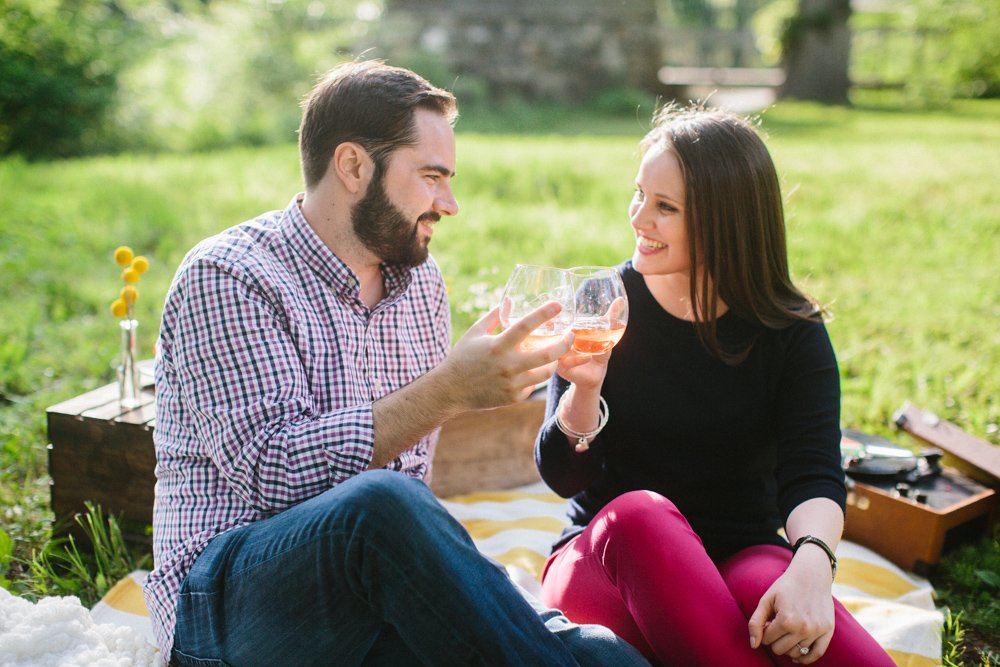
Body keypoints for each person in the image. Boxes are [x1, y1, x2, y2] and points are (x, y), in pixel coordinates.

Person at [144, 60, 649, 667]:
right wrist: (447, 391)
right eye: (431, 176)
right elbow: (271, 473)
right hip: (227, 606)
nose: (451, 203)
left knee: (607, 657)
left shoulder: (419, 283)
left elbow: (411, 491)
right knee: (379, 504)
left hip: (364, 596)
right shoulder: (229, 276)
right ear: (354, 166)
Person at [534, 105, 896, 667]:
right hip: (606, 563)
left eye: (665, 207)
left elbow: (813, 473)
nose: (637, 218)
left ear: (724, 222)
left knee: (790, 604)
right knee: (640, 515)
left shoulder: (791, 334)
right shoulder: (604, 307)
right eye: (639, 195)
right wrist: (582, 392)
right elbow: (563, 476)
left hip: (738, 550)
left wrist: (813, 565)